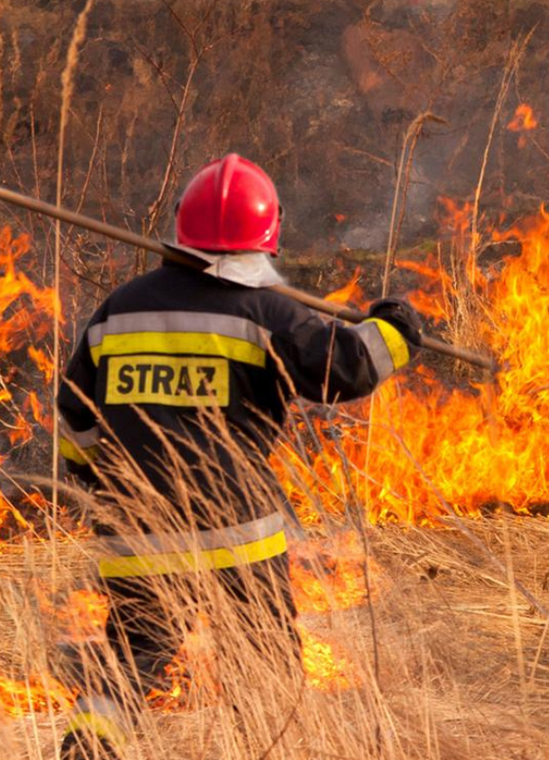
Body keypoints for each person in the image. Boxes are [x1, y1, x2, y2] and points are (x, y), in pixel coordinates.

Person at [54, 154, 422, 759]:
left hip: (138, 532)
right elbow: (347, 369)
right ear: (268, 233)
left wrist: (102, 488)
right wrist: (396, 329)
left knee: (128, 659)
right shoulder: (267, 313)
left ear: (181, 226)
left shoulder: (118, 310)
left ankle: (90, 745)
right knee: (263, 665)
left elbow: (74, 417)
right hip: (238, 538)